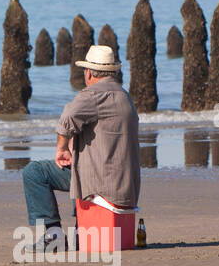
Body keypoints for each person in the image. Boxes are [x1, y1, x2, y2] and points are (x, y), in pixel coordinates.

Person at [20, 44, 140, 252]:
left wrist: (62, 148)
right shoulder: (124, 97)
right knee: (82, 164)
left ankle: (52, 235)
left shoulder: (92, 95)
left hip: (101, 184)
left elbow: (66, 119)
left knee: (34, 172)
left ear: (90, 72)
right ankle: (79, 231)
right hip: (126, 185)